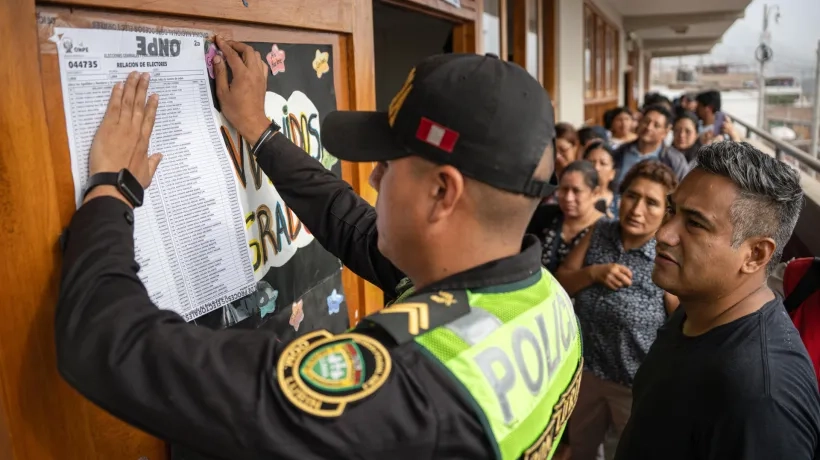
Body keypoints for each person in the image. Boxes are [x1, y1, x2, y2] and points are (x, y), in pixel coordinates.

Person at [55, 38, 583, 460]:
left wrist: (111, 190)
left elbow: (109, 342)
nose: (373, 178)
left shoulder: (404, 387)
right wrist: (258, 130)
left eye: (387, 165)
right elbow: (351, 223)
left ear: (443, 193)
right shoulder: (541, 298)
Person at [615, 142, 820, 459]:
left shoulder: (762, 397)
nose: (663, 234)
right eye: (672, 211)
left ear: (755, 254)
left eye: (695, 224)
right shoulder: (697, 308)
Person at [556, 160, 680, 460]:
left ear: (667, 212)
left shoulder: (667, 256)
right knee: (582, 449)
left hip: (635, 387)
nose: (636, 209)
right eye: (631, 196)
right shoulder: (599, 231)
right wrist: (593, 273)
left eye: (651, 202)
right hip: (587, 373)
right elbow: (561, 282)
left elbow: (681, 326)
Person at [528, 160, 603, 273]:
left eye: (576, 191)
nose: (568, 198)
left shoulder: (604, 231)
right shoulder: (544, 215)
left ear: (595, 193)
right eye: (564, 189)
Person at [611, 105, 688, 190]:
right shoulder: (620, 152)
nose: (649, 127)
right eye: (646, 121)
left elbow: (683, 191)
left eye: (656, 125)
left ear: (666, 132)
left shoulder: (675, 161)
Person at [583, 140, 619, 218]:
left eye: (603, 163)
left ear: (612, 173)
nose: (596, 168)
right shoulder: (571, 196)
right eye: (591, 162)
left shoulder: (620, 203)